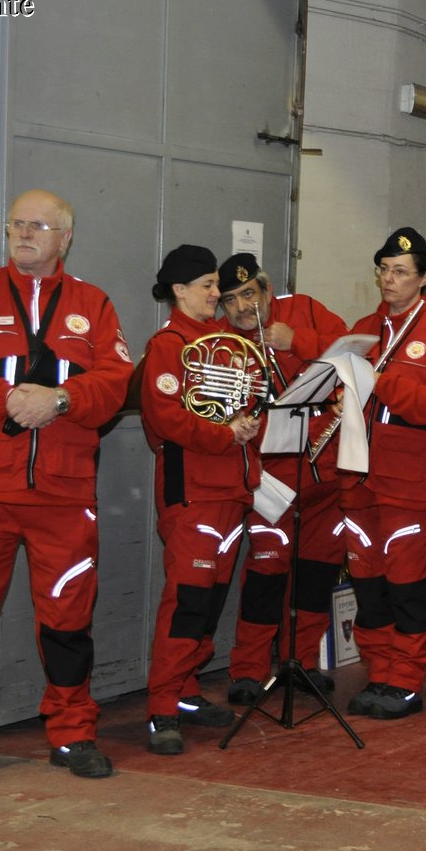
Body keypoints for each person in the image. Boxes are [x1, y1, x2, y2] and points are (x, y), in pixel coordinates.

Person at [0, 189, 134, 785]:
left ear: (65, 237)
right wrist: (10, 400)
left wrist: (61, 399)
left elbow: (116, 383)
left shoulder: (93, 304)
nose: (24, 234)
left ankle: (72, 735)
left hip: (64, 498)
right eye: (17, 224)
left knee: (68, 625)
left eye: (39, 226)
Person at [136, 245, 263, 754]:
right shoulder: (167, 345)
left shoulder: (228, 343)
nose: (219, 294)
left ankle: (186, 690)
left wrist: (249, 424)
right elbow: (166, 419)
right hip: (192, 491)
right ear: (180, 290)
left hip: (232, 488)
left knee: (209, 601)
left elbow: (252, 398)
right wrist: (225, 434)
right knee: (186, 601)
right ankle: (161, 706)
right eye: (209, 286)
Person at [341, 228, 426, 719]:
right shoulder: (365, 327)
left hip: (412, 484)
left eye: (399, 272)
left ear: (424, 279)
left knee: (408, 587)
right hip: (359, 479)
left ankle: (406, 680)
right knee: (369, 585)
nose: (388, 281)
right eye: (383, 270)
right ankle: (379, 673)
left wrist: (382, 382)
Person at [216, 253, 351, 707]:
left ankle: (303, 663)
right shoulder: (221, 345)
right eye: (230, 300)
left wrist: (298, 340)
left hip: (325, 477)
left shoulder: (307, 311)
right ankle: (248, 670)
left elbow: (354, 358)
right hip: (269, 480)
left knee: (315, 574)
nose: (241, 308)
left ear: (267, 291)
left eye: (249, 295)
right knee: (266, 574)